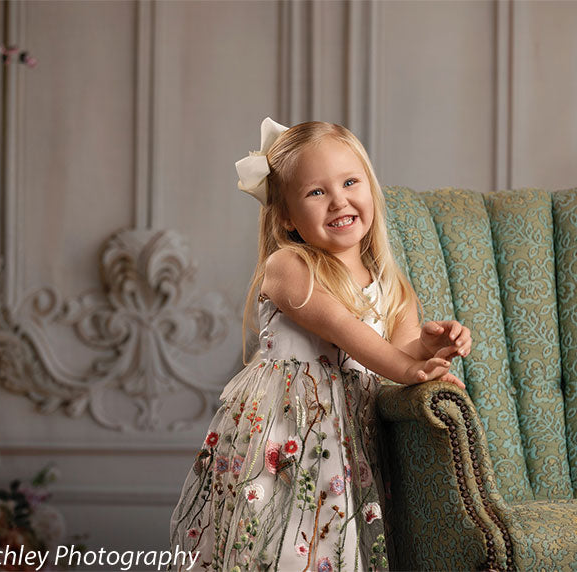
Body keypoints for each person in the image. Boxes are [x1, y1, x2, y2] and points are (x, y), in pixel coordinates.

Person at [169, 117, 471, 572]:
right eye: (316, 192)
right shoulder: (287, 265)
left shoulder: (392, 284)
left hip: (350, 438)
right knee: (273, 545)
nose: (339, 201)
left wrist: (427, 349)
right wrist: (409, 369)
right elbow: (348, 332)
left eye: (351, 182)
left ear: (370, 187)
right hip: (286, 433)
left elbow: (396, 351)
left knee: (336, 547)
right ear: (287, 216)